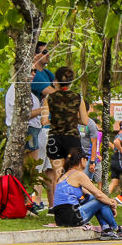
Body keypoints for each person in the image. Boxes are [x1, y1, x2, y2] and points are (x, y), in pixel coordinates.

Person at [51, 147, 122, 240]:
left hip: (60, 219)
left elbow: (90, 195)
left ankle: (107, 230)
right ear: (82, 159)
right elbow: (98, 194)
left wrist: (108, 201)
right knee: (100, 201)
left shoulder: (66, 174)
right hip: (71, 218)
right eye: (87, 159)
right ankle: (116, 229)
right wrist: (112, 203)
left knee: (96, 200)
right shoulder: (78, 174)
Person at [42, 67, 87, 197]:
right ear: (71, 81)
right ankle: (73, 204)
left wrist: (56, 120)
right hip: (72, 140)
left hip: (54, 139)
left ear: (56, 81)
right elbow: (84, 121)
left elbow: (44, 121)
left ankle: (58, 207)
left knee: (58, 174)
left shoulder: (49, 97)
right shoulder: (78, 97)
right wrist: (72, 119)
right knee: (73, 173)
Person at [4, 80, 43, 165]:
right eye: (31, 71)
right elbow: (23, 114)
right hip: (26, 130)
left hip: (33, 131)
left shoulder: (25, 89)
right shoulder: (16, 90)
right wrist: (44, 109)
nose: (33, 73)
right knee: (28, 166)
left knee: (32, 166)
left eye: (35, 71)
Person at [79, 101, 100, 182]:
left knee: (85, 183)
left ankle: (90, 195)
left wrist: (92, 162)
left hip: (87, 158)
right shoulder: (75, 122)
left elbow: (94, 143)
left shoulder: (91, 124)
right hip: (77, 156)